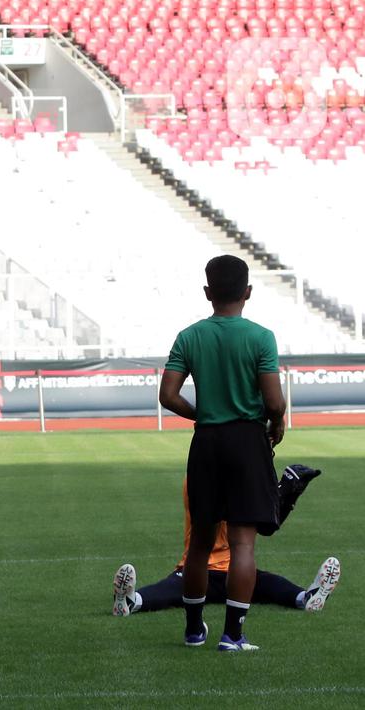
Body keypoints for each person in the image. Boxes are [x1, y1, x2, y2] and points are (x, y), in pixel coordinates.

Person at [158, 254, 287, 652]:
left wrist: (204, 414)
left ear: (208, 292)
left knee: (200, 542)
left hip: (207, 443)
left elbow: (167, 396)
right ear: (248, 292)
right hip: (247, 441)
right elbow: (274, 402)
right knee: (243, 543)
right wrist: (276, 423)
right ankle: (233, 634)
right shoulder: (261, 337)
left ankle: (195, 629)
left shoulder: (189, 336)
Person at [112, 465, 340, 616]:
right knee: (265, 583)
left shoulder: (198, 476)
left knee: (170, 590)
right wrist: (283, 493)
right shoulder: (212, 481)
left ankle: (306, 597)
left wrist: (285, 496)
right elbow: (261, 523)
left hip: (203, 568)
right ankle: (131, 601)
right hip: (227, 570)